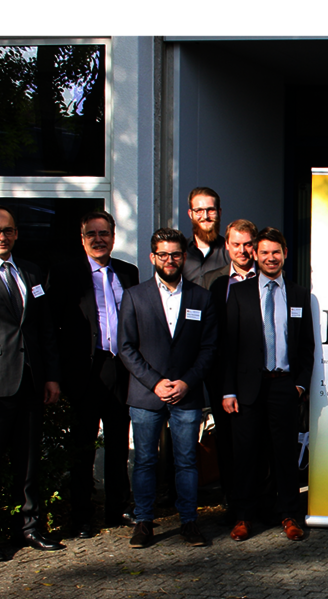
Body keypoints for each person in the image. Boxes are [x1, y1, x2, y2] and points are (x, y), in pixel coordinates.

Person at [0, 205, 63, 562]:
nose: (1, 237)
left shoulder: (31, 272)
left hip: (30, 380)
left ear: (16, 233)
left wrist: (51, 376)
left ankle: (30, 526)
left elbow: (44, 329)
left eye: (7, 230)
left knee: (28, 460)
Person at [118, 228, 218, 549]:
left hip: (187, 394)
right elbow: (126, 347)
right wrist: (155, 382)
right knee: (145, 460)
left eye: (175, 254)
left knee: (187, 461)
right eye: (163, 254)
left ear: (183, 257)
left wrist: (187, 381)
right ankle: (144, 522)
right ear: (152, 257)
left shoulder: (201, 297)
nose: (170, 260)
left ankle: (189, 521)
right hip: (147, 395)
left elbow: (209, 347)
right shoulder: (135, 296)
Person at [47, 210, 139, 538]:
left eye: (104, 234)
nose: (98, 240)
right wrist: (54, 375)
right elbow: (51, 329)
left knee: (117, 443)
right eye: (91, 234)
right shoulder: (64, 273)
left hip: (119, 370)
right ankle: (82, 516)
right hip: (84, 371)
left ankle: (117, 509)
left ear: (113, 238)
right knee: (83, 446)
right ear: (82, 238)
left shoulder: (129, 272)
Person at [222, 227, 314, 542]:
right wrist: (229, 389)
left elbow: (306, 346)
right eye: (264, 252)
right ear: (255, 256)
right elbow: (227, 346)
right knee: (246, 455)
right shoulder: (239, 293)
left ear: (285, 254)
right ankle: (243, 516)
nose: (270, 258)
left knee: (285, 455)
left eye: (276, 252)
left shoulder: (300, 294)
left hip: (284, 387)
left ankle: (289, 515)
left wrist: (300, 385)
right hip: (248, 388)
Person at [204, 219, 258, 509]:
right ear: (226, 246)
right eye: (236, 244)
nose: (242, 250)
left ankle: (260, 500)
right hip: (220, 373)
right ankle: (231, 499)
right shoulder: (212, 282)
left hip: (257, 373)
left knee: (257, 440)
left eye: (247, 244)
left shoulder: (267, 277)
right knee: (225, 439)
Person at [182, 187, 229, 289]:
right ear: (190, 214)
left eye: (211, 210)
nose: (205, 216)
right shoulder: (180, 252)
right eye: (199, 210)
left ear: (219, 212)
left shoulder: (230, 252)